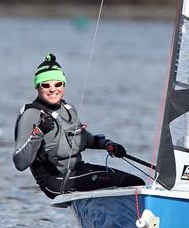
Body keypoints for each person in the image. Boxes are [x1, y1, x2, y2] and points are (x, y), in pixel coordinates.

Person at [13, 53, 144, 199]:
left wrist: (108, 144)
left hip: (78, 170)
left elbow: (84, 139)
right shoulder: (31, 115)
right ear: (37, 87)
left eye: (57, 84)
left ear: (63, 84)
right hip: (55, 181)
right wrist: (38, 132)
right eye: (46, 85)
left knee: (137, 183)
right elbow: (20, 163)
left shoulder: (68, 109)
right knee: (125, 182)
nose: (52, 89)